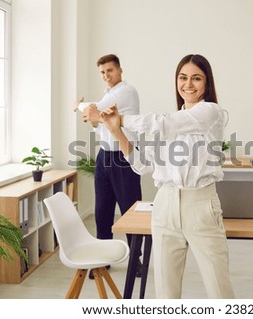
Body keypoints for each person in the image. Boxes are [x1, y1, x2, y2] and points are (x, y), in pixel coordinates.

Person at [100, 54, 235, 299]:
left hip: (201, 206)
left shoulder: (211, 113)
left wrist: (121, 118)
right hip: (164, 206)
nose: (188, 84)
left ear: (207, 83)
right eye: (183, 78)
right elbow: (142, 165)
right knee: (166, 293)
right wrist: (116, 130)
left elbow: (165, 124)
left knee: (219, 291)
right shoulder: (168, 123)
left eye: (196, 78)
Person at [74, 54, 143, 279]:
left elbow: (94, 110)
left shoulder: (126, 91)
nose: (106, 75)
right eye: (102, 72)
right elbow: (98, 123)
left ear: (120, 70)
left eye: (110, 71)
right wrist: (95, 118)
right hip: (105, 156)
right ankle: (102, 260)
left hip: (124, 157)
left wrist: (78, 105)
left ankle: (136, 261)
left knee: (129, 209)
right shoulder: (109, 94)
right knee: (102, 211)